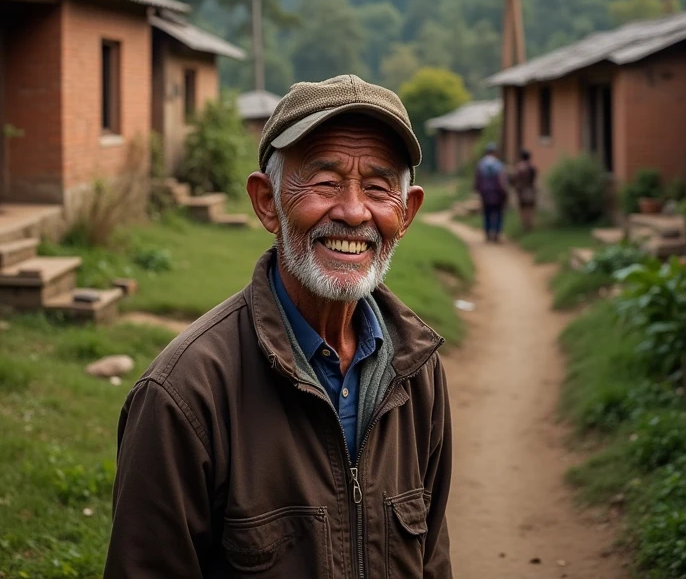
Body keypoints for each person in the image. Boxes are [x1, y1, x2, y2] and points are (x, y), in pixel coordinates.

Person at [104, 75, 453, 579]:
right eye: (325, 182)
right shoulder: (183, 394)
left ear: (407, 213)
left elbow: (432, 557)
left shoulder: (417, 369)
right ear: (266, 202)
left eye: (378, 188)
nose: (354, 212)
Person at [474, 141, 508, 243]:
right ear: (494, 152)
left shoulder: (481, 164)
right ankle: (496, 234)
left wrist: (478, 191)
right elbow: (502, 180)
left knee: (487, 213)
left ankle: (488, 234)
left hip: (485, 194)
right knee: (498, 213)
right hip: (497, 194)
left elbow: (478, 180)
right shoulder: (498, 165)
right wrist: (504, 192)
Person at [511, 149, 538, 232]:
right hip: (530, 189)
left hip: (521, 191)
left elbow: (514, 179)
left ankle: (524, 225)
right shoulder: (532, 167)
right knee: (529, 207)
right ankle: (529, 225)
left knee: (522, 208)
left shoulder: (518, 168)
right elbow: (534, 178)